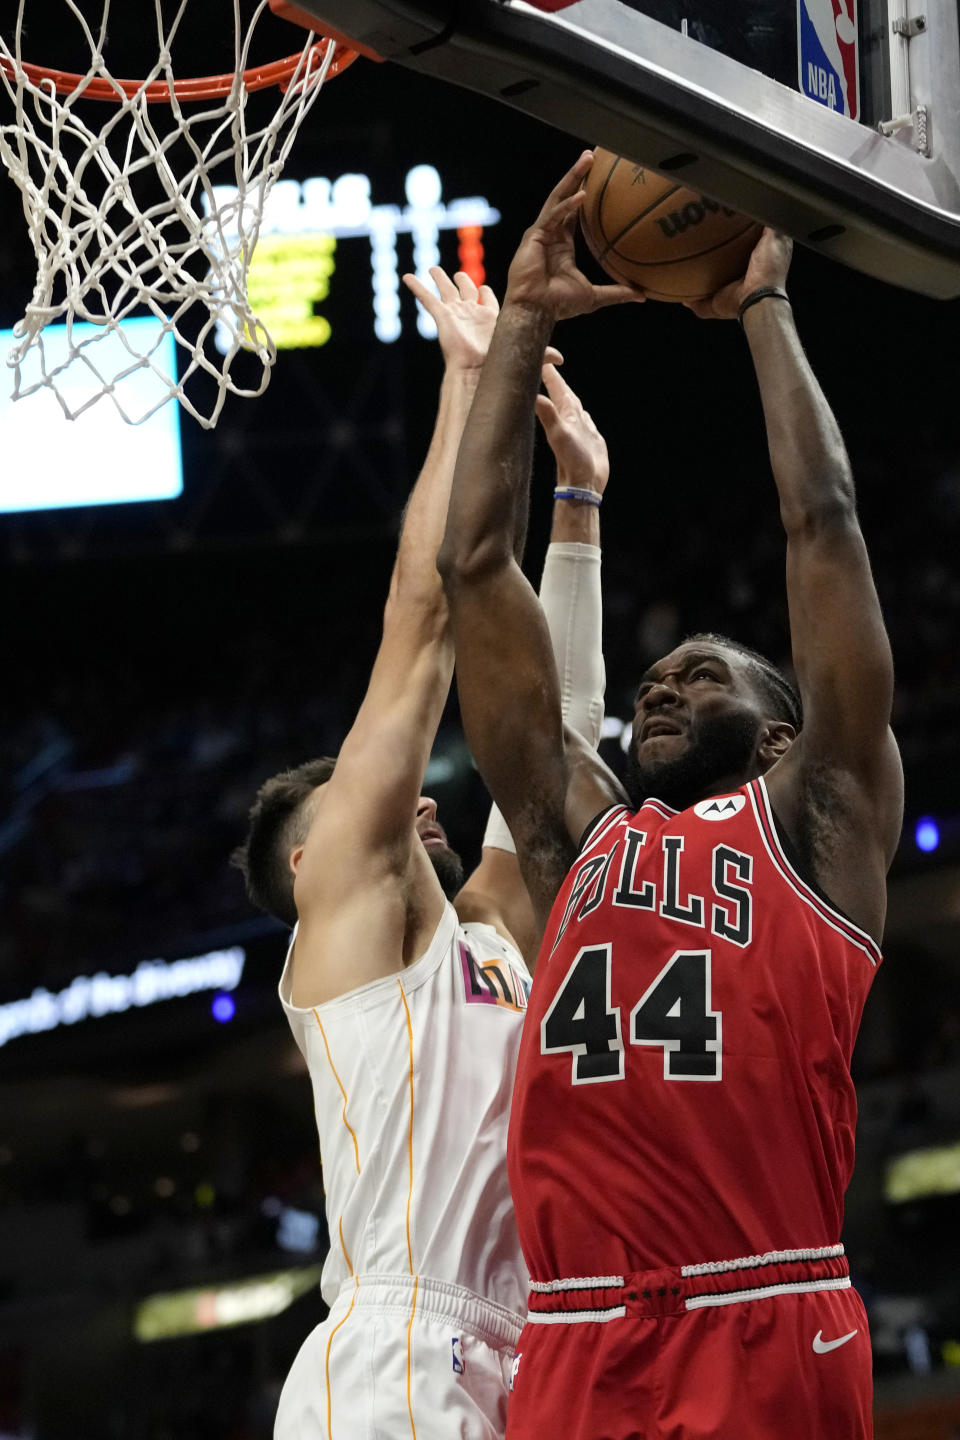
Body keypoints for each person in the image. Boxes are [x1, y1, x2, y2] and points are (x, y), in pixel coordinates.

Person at [438, 153, 903, 1440]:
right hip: (578, 1334)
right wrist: (523, 314)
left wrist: (766, 309)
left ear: (779, 735)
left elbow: (824, 523)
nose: (656, 687)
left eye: (701, 677)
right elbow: (475, 567)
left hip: (761, 1311)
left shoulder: (821, 819)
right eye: (652, 678)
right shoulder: (577, 835)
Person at [233, 265, 612, 1439]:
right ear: (315, 868)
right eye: (374, 812)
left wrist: (581, 506)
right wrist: (467, 390)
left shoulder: (487, 940)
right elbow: (426, 620)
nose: (420, 812)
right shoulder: (347, 925)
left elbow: (549, 761)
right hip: (391, 1361)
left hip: (513, 1351)